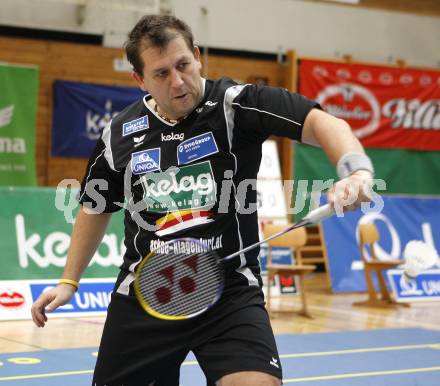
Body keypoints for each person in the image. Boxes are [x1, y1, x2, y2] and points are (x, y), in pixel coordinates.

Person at [31, 14, 374, 386]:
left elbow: (321, 122)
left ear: (197, 56)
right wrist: (69, 281)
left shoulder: (235, 105)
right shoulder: (120, 134)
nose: (178, 82)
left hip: (229, 288)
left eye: (183, 65)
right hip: (148, 291)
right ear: (139, 79)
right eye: (161, 73)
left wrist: (356, 172)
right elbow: (95, 205)